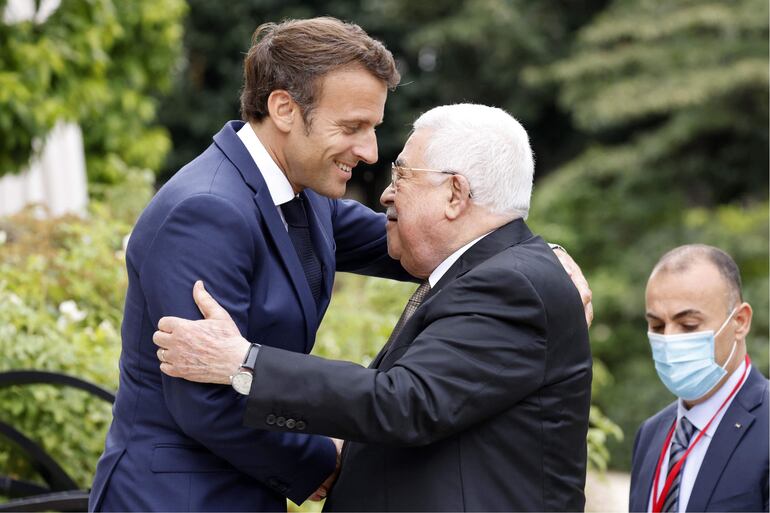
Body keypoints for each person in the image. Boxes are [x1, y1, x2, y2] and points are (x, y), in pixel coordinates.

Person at [90, 17, 591, 512]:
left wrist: (532, 259)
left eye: (373, 128)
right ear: (284, 109)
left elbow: (435, 238)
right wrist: (322, 463)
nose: (370, 152)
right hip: (176, 497)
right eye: (352, 127)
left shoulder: (306, 197)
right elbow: (202, 397)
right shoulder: (206, 210)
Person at [629, 244, 769, 512]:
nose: (669, 339)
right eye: (657, 325)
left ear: (740, 321)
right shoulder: (650, 434)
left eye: (688, 325)